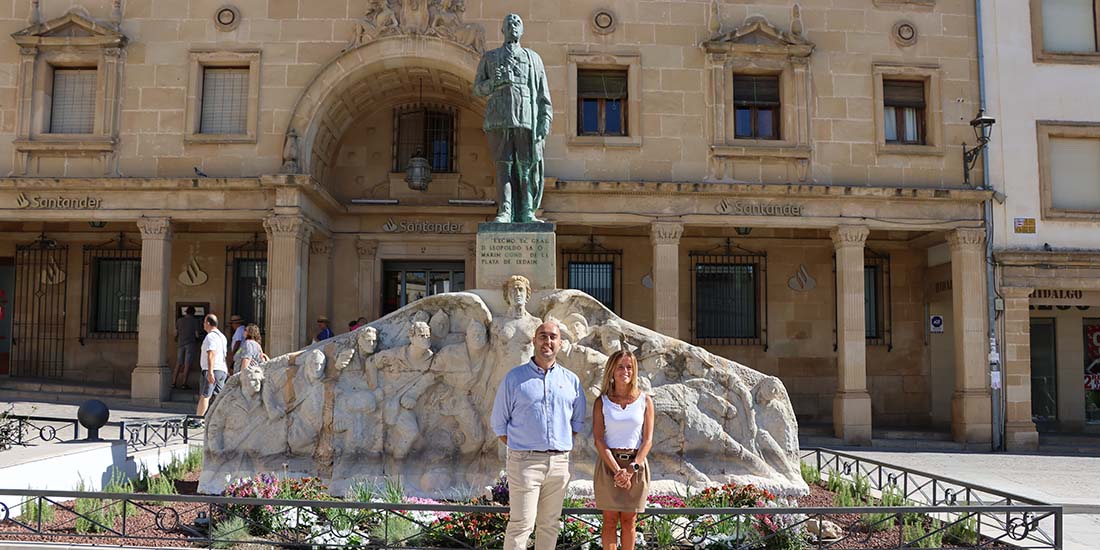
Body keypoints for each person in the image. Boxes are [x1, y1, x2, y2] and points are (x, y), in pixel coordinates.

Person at [490, 322, 586, 550]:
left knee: (550, 525)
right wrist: (524, 447)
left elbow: (577, 422)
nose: (548, 341)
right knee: (521, 524)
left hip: (559, 463)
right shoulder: (514, 379)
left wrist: (556, 446)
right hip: (525, 462)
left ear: (560, 344)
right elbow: (499, 424)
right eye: (543, 336)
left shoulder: (571, 381)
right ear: (534, 341)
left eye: (553, 337)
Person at [473, 13, 553, 223]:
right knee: (504, 165)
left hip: (527, 120)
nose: (513, 26)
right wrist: (493, 84)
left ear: (522, 30)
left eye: (517, 23)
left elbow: (543, 95)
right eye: (508, 23)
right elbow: (477, 89)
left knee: (525, 166)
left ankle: (527, 210)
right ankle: (505, 210)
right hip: (499, 119)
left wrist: (545, 121)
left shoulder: (533, 58)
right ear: (503, 30)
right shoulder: (490, 57)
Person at [592, 350, 654, 550]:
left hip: (636, 466)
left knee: (629, 521)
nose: (625, 371)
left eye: (629, 367)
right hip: (609, 464)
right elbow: (599, 440)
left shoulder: (645, 401)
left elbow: (648, 440)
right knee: (609, 521)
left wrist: (630, 469)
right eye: (620, 366)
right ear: (612, 370)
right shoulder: (601, 402)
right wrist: (618, 470)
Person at [197, 314, 229, 419]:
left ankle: (198, 420)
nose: (203, 325)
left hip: (212, 369)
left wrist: (210, 372)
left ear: (208, 323)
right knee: (219, 397)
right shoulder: (222, 337)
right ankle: (221, 419)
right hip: (222, 369)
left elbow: (211, 354)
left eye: (204, 322)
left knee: (205, 395)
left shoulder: (210, 336)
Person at [172, 306, 202, 389]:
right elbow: (197, 334)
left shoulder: (179, 320)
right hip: (190, 343)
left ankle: (173, 382)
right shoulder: (195, 321)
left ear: (186, 312)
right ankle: (183, 384)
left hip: (180, 343)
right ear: (193, 313)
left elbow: (175, 333)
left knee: (178, 363)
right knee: (187, 364)